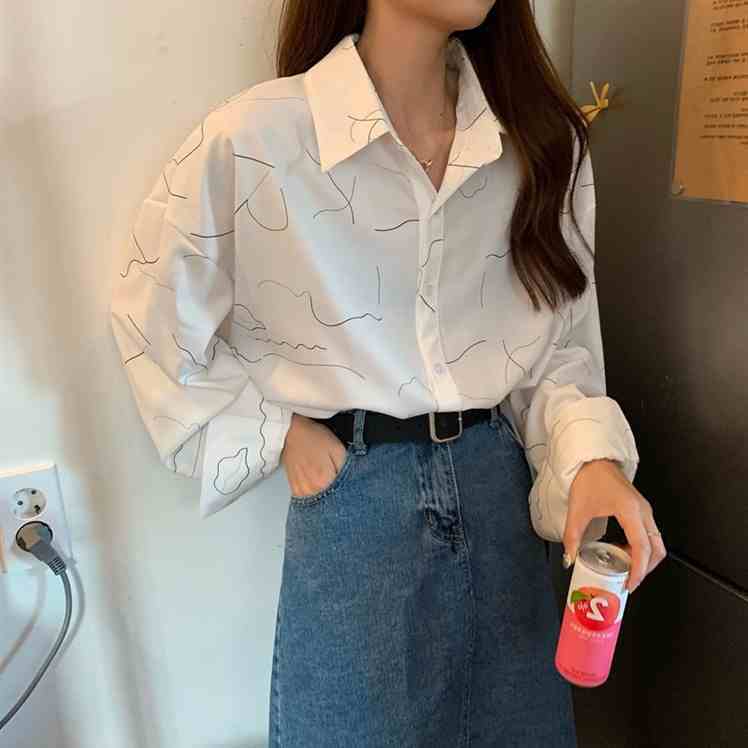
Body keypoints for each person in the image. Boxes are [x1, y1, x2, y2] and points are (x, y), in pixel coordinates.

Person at [111, 1, 667, 745]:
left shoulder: (539, 141)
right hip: (356, 507)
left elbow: (555, 349)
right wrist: (277, 434)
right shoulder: (257, 140)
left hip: (499, 496)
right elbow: (151, 318)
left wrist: (590, 459)